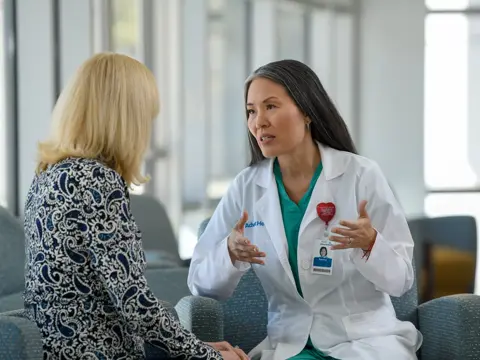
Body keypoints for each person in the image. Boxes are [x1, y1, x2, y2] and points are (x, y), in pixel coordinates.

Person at [187, 59, 422, 360]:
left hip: (364, 341)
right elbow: (200, 285)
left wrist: (371, 244)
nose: (259, 121)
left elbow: (401, 281)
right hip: (290, 345)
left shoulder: (361, 175)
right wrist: (229, 254)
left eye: (271, 106)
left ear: (307, 111)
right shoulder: (246, 187)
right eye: (251, 111)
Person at [23, 53, 248, 360]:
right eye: (146, 117)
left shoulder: (47, 176)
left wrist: (198, 348)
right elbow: (135, 305)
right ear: (125, 118)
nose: (147, 130)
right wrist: (209, 357)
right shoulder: (97, 181)